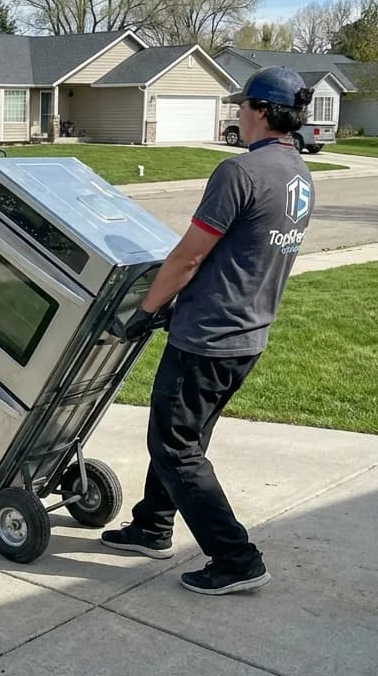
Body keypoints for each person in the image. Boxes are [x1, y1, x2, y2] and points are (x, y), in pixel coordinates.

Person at [101, 65, 316, 595]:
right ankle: (152, 525)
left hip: (209, 337)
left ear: (261, 112)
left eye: (242, 106)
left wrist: (147, 309)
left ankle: (236, 558)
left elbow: (189, 257)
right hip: (248, 332)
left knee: (174, 445)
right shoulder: (298, 176)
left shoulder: (239, 173)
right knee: (185, 438)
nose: (236, 114)